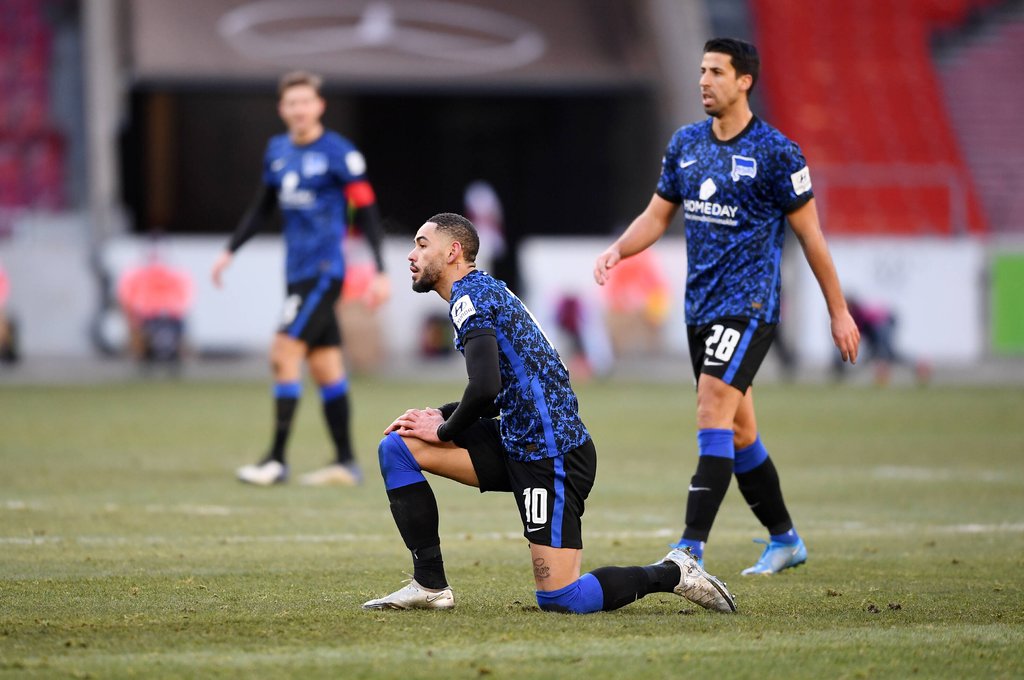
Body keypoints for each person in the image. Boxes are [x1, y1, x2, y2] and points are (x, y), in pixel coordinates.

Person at [361, 213, 736, 614]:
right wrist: (439, 416)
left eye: (421, 244)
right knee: (399, 446)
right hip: (517, 438)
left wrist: (445, 428)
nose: (411, 255)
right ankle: (429, 585)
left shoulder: (471, 297)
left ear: (453, 252)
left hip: (551, 453)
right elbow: (501, 388)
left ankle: (673, 571)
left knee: (561, 599)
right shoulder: (480, 293)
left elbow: (485, 386)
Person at [593, 38, 860, 575]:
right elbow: (656, 216)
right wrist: (620, 248)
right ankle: (785, 539)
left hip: (749, 304)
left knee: (712, 408)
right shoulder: (686, 144)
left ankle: (689, 549)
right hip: (701, 308)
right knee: (738, 433)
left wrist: (839, 311)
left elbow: (811, 238)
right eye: (701, 70)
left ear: (745, 81)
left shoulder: (777, 152)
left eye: (716, 71)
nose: (704, 81)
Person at [211, 70, 389, 487]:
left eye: (306, 101)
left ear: (319, 106)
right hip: (295, 275)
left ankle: (275, 459)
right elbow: (261, 208)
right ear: (282, 109)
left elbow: (367, 210)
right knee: (326, 367)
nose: (299, 109)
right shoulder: (277, 151)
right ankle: (346, 462)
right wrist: (229, 251)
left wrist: (381, 270)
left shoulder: (339, 153)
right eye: (292, 103)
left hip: (324, 273)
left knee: (282, 352)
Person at [118, 246, 194, 367]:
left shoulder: (174, 274)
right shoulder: (139, 274)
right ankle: (140, 358)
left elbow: (184, 295)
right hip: (147, 314)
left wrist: (176, 309)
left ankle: (181, 360)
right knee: (136, 332)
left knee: (183, 333)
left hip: (171, 314)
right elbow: (127, 297)